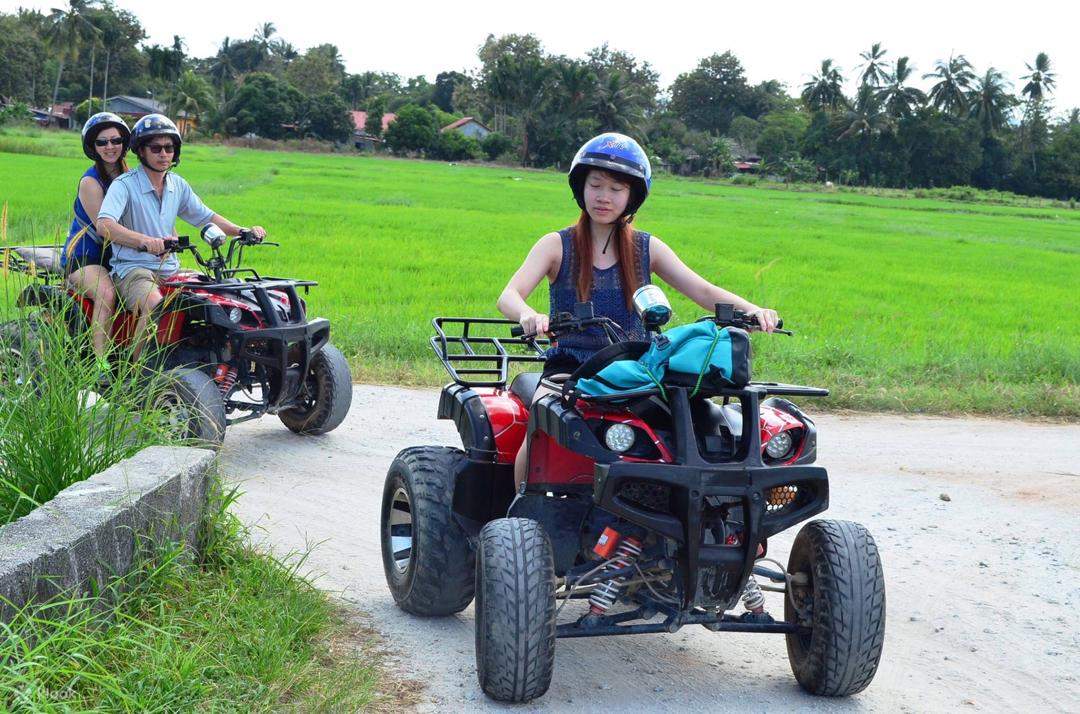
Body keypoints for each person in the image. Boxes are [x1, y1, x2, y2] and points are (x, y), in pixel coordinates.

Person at [497, 132, 779, 488]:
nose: (603, 196)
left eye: (616, 188)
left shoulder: (646, 248)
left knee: (682, 428)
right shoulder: (557, 245)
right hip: (570, 367)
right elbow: (509, 295)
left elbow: (702, 289)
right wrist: (527, 315)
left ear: (632, 196)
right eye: (596, 185)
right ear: (580, 187)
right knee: (541, 423)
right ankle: (522, 507)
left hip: (638, 368)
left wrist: (754, 311)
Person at [96, 114, 265, 358]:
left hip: (170, 270)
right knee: (155, 304)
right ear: (141, 151)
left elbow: (205, 216)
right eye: (156, 148)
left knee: (219, 301)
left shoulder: (177, 185)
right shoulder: (124, 185)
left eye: (169, 147)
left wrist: (242, 231)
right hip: (134, 270)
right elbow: (105, 225)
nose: (163, 153)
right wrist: (143, 241)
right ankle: (138, 374)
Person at [61, 112, 130, 371]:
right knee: (107, 293)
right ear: (92, 147)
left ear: (125, 142)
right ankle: (99, 363)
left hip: (120, 255)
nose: (110, 147)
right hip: (86, 257)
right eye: (102, 142)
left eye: (115, 140)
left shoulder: (130, 176)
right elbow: (106, 230)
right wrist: (147, 242)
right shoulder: (91, 182)